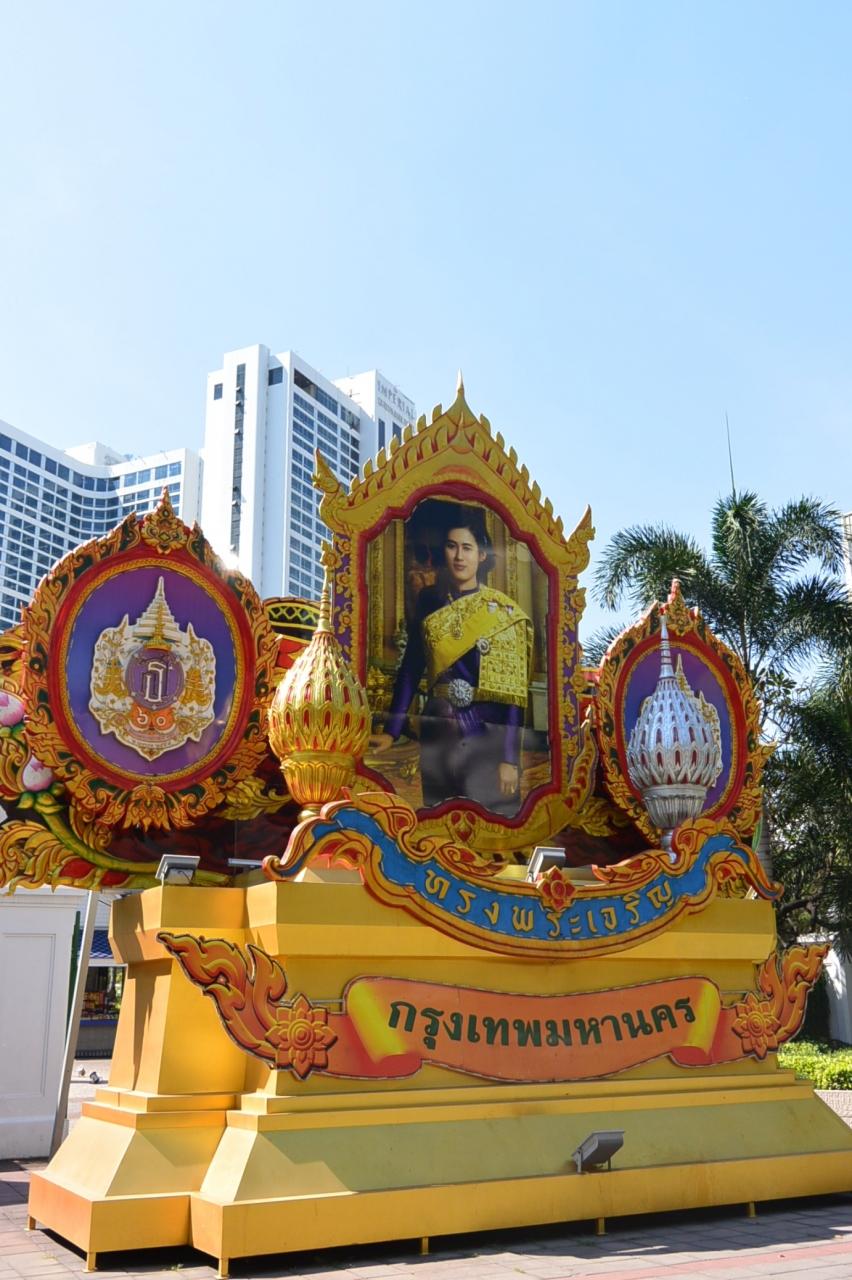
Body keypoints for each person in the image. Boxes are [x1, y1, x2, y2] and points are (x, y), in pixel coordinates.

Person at [371, 506, 532, 816]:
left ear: (481, 556)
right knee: (439, 821)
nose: (459, 556)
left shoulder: (502, 612)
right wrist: (392, 731)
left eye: (467, 548)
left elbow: (514, 695)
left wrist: (510, 759)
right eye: (451, 546)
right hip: (439, 730)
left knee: (491, 823)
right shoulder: (430, 601)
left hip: (487, 734)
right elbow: (411, 668)